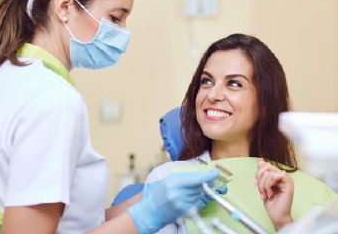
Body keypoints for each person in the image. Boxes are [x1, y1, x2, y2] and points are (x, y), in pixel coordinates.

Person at [0, 0, 221, 233]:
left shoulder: (11, 76)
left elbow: (72, 224)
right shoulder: (54, 100)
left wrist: (146, 198)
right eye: (115, 18)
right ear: (65, 6)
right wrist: (150, 214)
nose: (123, 34)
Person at [143, 33, 338, 233]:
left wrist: (284, 223)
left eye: (234, 83)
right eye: (206, 81)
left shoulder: (318, 193)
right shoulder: (167, 180)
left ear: (264, 104)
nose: (212, 95)